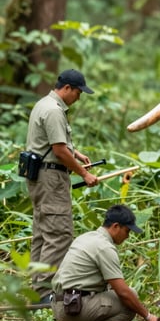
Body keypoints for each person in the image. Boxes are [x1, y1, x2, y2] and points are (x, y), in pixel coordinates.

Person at [25, 69, 99, 299]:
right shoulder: (54, 111)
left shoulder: (43, 104)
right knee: (59, 234)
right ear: (67, 88)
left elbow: (55, 142)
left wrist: (75, 154)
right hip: (51, 179)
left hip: (39, 177)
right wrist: (84, 175)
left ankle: (36, 289)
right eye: (78, 93)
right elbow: (58, 150)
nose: (78, 98)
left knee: (42, 233)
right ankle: (45, 292)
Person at [51, 204, 159, 321]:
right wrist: (148, 316)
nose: (128, 236)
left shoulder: (87, 237)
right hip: (72, 309)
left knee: (113, 295)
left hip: (63, 304)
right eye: (127, 231)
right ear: (116, 226)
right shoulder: (104, 247)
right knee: (128, 302)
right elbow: (123, 293)